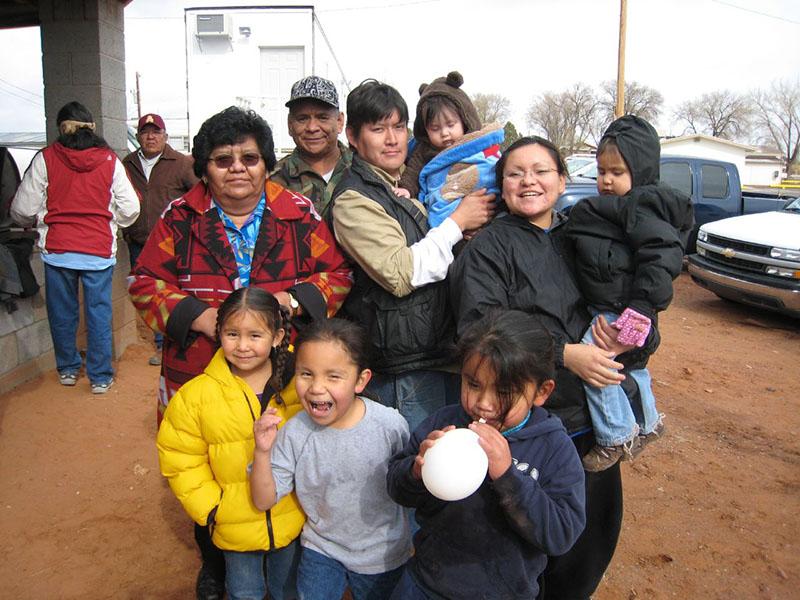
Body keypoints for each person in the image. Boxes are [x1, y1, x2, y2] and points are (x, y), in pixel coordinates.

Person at [128, 106, 352, 600]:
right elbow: (143, 282)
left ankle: (285, 559)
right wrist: (200, 318)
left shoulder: (298, 213)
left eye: (249, 158)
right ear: (204, 167)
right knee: (209, 467)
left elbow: (338, 275)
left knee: (286, 459)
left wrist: (291, 301)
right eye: (222, 158)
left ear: (266, 164)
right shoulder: (179, 217)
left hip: (283, 372)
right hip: (198, 373)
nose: (237, 168)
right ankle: (215, 562)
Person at [449, 136, 640, 598]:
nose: (529, 181)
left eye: (541, 171)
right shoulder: (489, 248)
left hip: (593, 418)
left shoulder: (585, 234)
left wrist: (634, 333)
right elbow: (480, 324)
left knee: (588, 538)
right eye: (515, 173)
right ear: (502, 186)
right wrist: (564, 352)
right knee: (529, 541)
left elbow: (627, 295)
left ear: (561, 178)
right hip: (532, 423)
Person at [330, 79, 495, 431]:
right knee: (418, 470)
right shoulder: (354, 200)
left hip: (441, 356)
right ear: (354, 137)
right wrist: (457, 222)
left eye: (398, 127)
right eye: (378, 129)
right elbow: (401, 274)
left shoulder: (403, 188)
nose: (392, 139)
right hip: (406, 374)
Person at [387, 310, 586, 599]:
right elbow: (396, 487)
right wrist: (417, 470)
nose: (483, 404)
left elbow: (560, 535)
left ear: (541, 392)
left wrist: (508, 476)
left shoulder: (554, 448)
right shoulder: (445, 422)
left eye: (504, 391)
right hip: (426, 583)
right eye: (473, 384)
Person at [563, 115, 694, 472]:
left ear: (641, 171)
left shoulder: (642, 205)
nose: (606, 180)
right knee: (632, 369)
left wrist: (638, 313)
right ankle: (649, 424)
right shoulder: (620, 207)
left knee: (597, 358)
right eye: (602, 171)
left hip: (621, 307)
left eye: (617, 172)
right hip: (619, 302)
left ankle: (616, 434)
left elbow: (661, 255)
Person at [157, 287, 303, 600]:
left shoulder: (298, 387)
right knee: (244, 592)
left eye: (255, 335)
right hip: (234, 525)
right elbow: (181, 458)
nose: (243, 346)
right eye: (232, 333)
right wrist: (213, 508)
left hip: (291, 518)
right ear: (218, 333)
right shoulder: (195, 397)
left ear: (277, 337)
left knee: (287, 591)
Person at [251, 318, 412, 600]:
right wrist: (262, 452)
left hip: (382, 554)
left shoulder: (390, 426)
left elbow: (407, 487)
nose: (316, 387)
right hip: (321, 549)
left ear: (361, 380)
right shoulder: (294, 432)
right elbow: (263, 500)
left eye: (333, 376)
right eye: (306, 374)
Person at [11, 100, 139, 394]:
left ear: (61, 128)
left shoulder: (46, 158)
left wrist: (36, 220)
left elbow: (22, 207)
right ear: (91, 127)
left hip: (58, 251)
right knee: (98, 314)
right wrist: (111, 222)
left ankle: (68, 370)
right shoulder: (109, 161)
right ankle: (100, 376)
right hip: (97, 252)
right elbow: (131, 208)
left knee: (62, 314)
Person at [122, 112, 198, 366]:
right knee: (150, 292)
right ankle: (159, 343)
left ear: (165, 136)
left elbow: (198, 196)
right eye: (145, 132)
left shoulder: (181, 163)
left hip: (174, 243)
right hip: (139, 242)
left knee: (174, 291)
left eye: (156, 132)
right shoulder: (127, 164)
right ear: (139, 136)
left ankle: (169, 342)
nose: (150, 137)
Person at [396, 71, 503, 228]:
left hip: (484, 207)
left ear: (464, 120)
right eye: (435, 128)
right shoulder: (423, 150)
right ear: (425, 130)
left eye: (451, 125)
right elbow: (412, 171)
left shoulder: (478, 143)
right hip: (448, 212)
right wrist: (406, 188)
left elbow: (492, 168)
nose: (444, 133)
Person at [270, 75, 352, 219]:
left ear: (339, 121)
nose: (312, 127)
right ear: (290, 125)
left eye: (322, 117)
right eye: (302, 118)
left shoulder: (364, 170)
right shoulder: (274, 181)